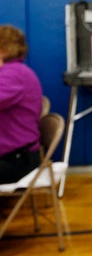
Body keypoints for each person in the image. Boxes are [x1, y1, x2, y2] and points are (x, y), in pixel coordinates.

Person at [0, 25, 43, 184]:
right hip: (13, 154)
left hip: (16, 161)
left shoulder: (14, 74)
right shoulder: (13, 72)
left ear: (3, 49)